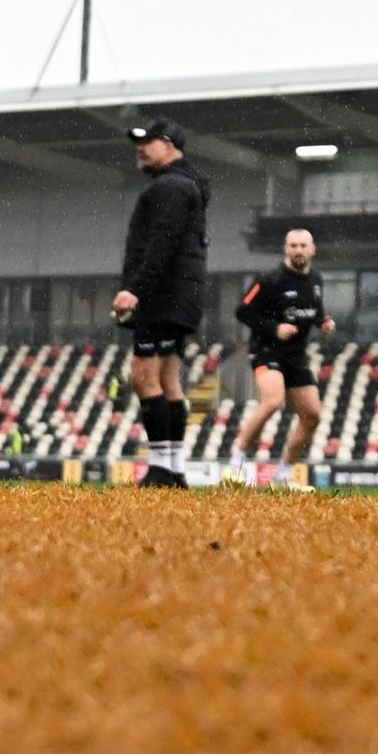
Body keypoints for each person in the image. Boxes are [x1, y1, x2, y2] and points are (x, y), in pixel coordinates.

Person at [111, 119, 210, 487]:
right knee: (169, 381)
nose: (141, 148)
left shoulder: (169, 187)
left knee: (144, 377)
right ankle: (173, 468)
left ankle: (159, 467)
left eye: (149, 142)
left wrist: (135, 289)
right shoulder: (187, 184)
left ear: (170, 146)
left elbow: (161, 242)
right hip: (182, 294)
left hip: (162, 295)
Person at [231, 227, 337, 474]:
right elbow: (242, 311)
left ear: (312, 250)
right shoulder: (270, 279)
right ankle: (238, 457)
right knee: (273, 401)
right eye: (293, 246)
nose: (298, 250)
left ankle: (284, 473)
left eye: (302, 245)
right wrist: (274, 328)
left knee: (312, 415)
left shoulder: (316, 281)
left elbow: (313, 310)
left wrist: (323, 322)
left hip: (296, 356)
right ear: (286, 249)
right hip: (267, 350)